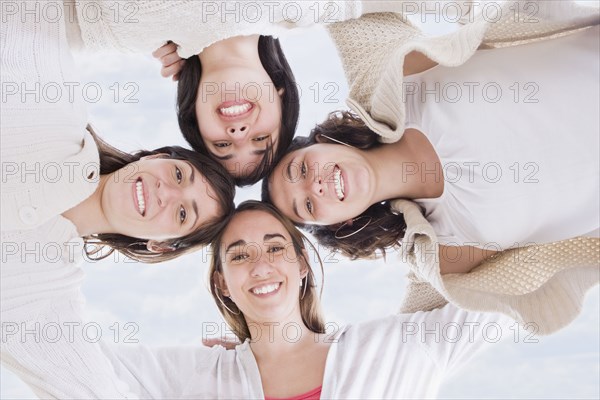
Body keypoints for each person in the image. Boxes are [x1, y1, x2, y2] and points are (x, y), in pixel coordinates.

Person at [263, 1, 600, 332]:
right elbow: (405, 340)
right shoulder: (443, 252)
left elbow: (336, 8)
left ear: (322, 141)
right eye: (307, 205)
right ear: (340, 224)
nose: (315, 186)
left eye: (302, 169)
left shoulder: (392, 78)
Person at [1, 201, 511, 398]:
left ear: (303, 264)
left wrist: (398, 214)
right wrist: (83, 217)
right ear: (222, 282)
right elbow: (59, 354)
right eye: (240, 256)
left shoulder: (394, 349)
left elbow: (508, 286)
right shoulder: (194, 378)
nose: (262, 266)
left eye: (275, 247)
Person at [63, 0, 424, 185]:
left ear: (195, 119)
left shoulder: (121, 27)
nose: (238, 134)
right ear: (281, 95)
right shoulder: (303, 9)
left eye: (222, 145)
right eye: (261, 138)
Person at [1, 0, 236, 263]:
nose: (166, 192)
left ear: (162, 245)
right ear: (155, 157)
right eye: (178, 174)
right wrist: (156, 28)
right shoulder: (55, 109)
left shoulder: (50, 284)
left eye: (182, 214)